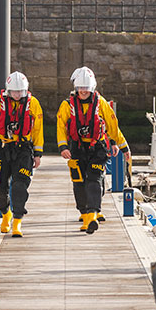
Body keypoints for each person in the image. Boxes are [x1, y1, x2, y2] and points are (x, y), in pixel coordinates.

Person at [56, 66, 129, 234]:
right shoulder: (67, 106)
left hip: (97, 148)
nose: (83, 91)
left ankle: (92, 215)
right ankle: (84, 213)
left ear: (92, 88)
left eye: (86, 88)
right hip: (77, 148)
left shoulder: (101, 103)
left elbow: (112, 126)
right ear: (76, 88)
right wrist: (63, 147)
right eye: (80, 88)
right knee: (79, 182)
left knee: (94, 180)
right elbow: (61, 127)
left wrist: (122, 145)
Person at [0, 71, 43, 237]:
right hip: (1, 148)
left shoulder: (34, 104)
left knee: (19, 186)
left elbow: (38, 129)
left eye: (20, 92)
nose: (17, 95)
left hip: (24, 149)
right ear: (8, 91)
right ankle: (5, 214)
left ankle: (17, 221)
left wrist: (38, 153)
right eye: (14, 92)